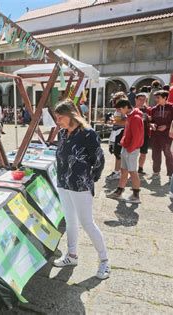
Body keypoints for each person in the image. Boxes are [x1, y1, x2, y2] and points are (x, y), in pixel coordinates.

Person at [53, 100, 109, 280]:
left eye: (60, 117)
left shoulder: (88, 134)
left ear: (71, 115)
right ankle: (72, 255)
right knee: (70, 221)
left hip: (81, 185)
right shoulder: (62, 133)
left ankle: (104, 261)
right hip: (63, 184)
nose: (58, 121)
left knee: (87, 223)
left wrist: (90, 179)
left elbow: (99, 160)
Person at [106, 99, 144, 203]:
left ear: (126, 107)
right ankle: (119, 192)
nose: (119, 111)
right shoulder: (130, 116)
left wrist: (130, 148)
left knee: (132, 172)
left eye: (120, 109)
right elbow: (127, 133)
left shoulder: (136, 117)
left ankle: (136, 195)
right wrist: (123, 142)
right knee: (124, 170)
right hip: (127, 147)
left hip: (131, 149)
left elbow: (137, 137)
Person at [150, 90, 173, 179]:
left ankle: (171, 175)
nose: (156, 99)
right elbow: (151, 121)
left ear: (165, 98)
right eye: (155, 97)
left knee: (168, 155)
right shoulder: (154, 109)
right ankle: (156, 173)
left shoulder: (172, 108)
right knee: (155, 154)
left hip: (168, 136)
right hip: (156, 135)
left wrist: (166, 126)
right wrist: (152, 124)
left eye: (158, 97)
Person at [106, 92, 128, 181]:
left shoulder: (124, 109)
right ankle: (118, 171)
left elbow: (127, 122)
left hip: (121, 132)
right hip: (116, 132)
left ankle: (118, 172)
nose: (118, 102)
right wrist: (113, 120)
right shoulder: (118, 109)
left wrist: (114, 122)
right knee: (116, 153)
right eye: (116, 100)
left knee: (118, 153)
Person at [134, 93, 150, 175]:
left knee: (143, 153)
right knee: (133, 153)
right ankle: (131, 169)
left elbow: (151, 121)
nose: (142, 101)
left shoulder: (148, 110)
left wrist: (152, 124)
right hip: (134, 136)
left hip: (144, 135)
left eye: (144, 100)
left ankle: (140, 169)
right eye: (140, 99)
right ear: (136, 100)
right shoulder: (131, 110)